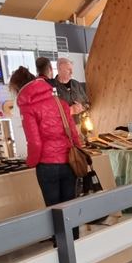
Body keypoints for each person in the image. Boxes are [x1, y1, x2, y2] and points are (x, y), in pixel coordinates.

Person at [9, 66, 81, 209]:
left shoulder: (28, 107)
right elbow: (73, 133)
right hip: (69, 160)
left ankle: (60, 233)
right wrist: (79, 153)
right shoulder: (60, 102)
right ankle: (74, 232)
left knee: (54, 211)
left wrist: (30, 162)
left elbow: (35, 142)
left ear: (17, 88)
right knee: (70, 208)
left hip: (47, 165)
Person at [55, 57, 89, 123]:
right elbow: (50, 113)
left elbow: (87, 103)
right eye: (68, 69)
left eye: (72, 69)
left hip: (81, 126)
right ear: (59, 69)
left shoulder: (76, 84)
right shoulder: (52, 88)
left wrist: (82, 107)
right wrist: (70, 110)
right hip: (64, 128)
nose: (72, 72)